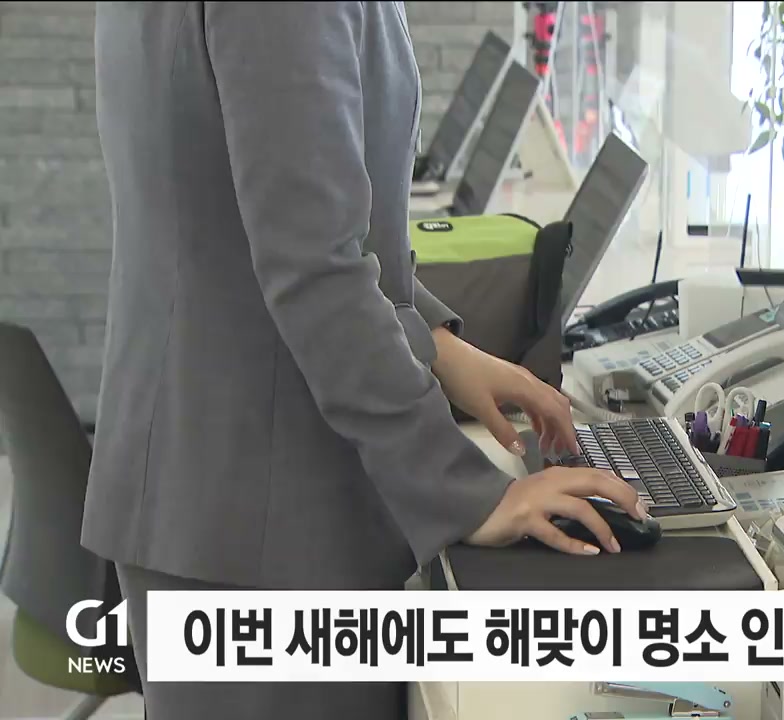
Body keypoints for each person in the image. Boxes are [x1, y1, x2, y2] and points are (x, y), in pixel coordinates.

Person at [82, 3, 643, 718]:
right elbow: (314, 268)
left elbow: (255, 209)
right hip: (256, 514)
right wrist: (470, 492)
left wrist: (437, 346)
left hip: (210, 480)